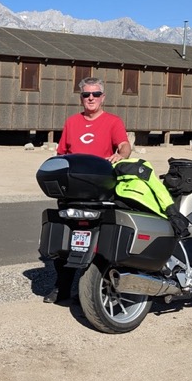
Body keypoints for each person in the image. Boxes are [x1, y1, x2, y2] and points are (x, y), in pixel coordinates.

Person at [44, 77, 131, 304]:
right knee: (64, 238)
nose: (90, 98)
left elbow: (124, 145)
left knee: (102, 238)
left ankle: (99, 285)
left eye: (95, 94)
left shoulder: (113, 121)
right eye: (86, 95)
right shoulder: (72, 122)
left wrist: (121, 155)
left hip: (99, 188)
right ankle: (62, 288)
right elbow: (62, 152)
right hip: (72, 189)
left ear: (103, 97)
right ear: (81, 97)